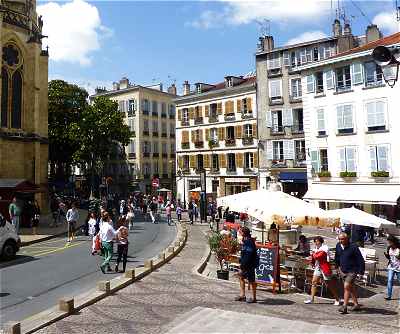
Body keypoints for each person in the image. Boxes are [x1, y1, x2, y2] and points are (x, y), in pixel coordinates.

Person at [304, 236, 340, 305]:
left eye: (317, 241)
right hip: (318, 267)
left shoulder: (325, 248)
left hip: (324, 267)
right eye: (315, 241)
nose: (316, 243)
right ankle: (312, 299)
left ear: (321, 241)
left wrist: (313, 254)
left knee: (328, 283)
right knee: (314, 282)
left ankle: (337, 298)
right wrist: (312, 260)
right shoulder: (315, 249)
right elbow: (313, 257)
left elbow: (318, 256)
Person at [335, 232, 365, 314]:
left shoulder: (353, 247)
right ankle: (356, 305)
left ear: (347, 239)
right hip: (343, 270)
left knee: (346, 286)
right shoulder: (338, 246)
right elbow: (337, 256)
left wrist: (361, 271)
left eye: (343, 239)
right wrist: (336, 266)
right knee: (350, 288)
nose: (341, 241)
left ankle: (344, 306)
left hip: (352, 270)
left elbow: (360, 259)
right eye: (340, 239)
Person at [235, 227, 258, 303]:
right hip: (245, 263)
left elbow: (248, 255)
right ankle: (242, 295)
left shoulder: (249, 242)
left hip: (249, 265)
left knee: (251, 281)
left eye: (240, 232)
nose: (239, 233)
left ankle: (254, 298)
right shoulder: (246, 241)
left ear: (244, 233)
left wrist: (242, 266)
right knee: (241, 277)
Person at [384, 235, 400, 300]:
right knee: (390, 280)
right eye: (388, 242)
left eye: (390, 242)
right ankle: (389, 296)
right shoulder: (389, 248)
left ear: (394, 242)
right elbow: (389, 257)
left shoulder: (399, 248)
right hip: (391, 266)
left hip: (399, 267)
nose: (389, 243)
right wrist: (386, 255)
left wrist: (399, 257)